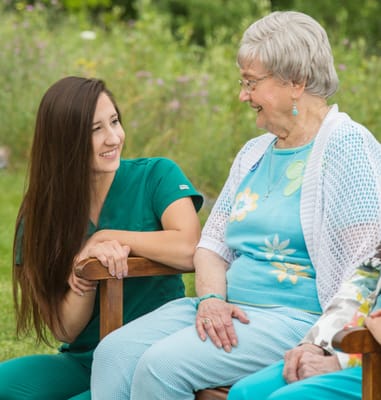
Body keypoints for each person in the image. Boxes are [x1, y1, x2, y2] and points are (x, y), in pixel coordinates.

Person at [90, 11, 381, 400]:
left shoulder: (348, 148)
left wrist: (323, 343)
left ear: (295, 82)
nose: (243, 95)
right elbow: (211, 245)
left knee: (161, 367)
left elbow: (365, 270)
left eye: (251, 83)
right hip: (229, 311)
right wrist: (211, 299)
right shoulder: (254, 152)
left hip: (296, 318)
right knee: (113, 352)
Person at [0, 76, 203, 400]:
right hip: (84, 359)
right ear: (63, 140)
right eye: (95, 130)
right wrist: (85, 275)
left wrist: (107, 237)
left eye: (114, 122)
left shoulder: (157, 175)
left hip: (152, 354)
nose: (113, 138)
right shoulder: (42, 212)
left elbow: (191, 249)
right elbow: (64, 330)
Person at [227, 246, 381, 400]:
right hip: (357, 348)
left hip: (371, 360)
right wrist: (317, 345)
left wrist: (341, 363)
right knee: (245, 393)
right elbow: (365, 282)